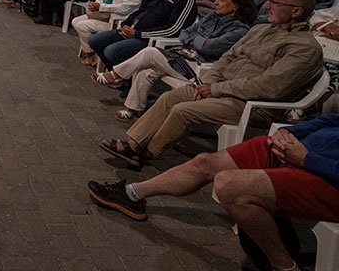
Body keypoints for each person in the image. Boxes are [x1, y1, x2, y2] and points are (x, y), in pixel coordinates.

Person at [98, 0, 323, 166]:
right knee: (169, 97)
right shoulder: (260, 30)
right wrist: (208, 83)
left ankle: (146, 153)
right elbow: (227, 57)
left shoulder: (304, 48)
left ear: (296, 11)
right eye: (269, 0)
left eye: (275, 3)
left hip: (252, 105)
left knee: (182, 110)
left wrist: (215, 89)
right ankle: (134, 144)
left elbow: (269, 87)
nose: (266, 6)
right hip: (221, 89)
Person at [88, 114, 339, 271]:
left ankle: (285, 266)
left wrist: (306, 159)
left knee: (229, 186)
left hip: (325, 174)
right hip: (299, 152)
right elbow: (331, 120)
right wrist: (289, 132)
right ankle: (132, 194)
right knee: (206, 162)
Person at [96, 0, 255, 121]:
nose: (216, 2)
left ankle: (116, 74)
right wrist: (200, 40)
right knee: (147, 68)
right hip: (184, 59)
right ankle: (134, 109)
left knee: (150, 53)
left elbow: (209, 48)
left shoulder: (239, 30)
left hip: (201, 71)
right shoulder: (212, 17)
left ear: (236, 6)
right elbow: (185, 34)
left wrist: (197, 40)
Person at [88, 0, 197, 71]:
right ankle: (118, 73)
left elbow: (173, 29)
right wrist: (126, 24)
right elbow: (139, 12)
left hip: (151, 39)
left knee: (111, 51)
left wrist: (138, 34)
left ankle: (121, 75)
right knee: (95, 40)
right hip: (133, 31)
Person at [72, 0, 148, 66]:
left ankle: (91, 54)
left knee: (82, 26)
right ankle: (91, 52)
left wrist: (101, 7)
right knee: (75, 21)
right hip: (102, 14)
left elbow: (125, 9)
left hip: (116, 20)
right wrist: (97, 4)